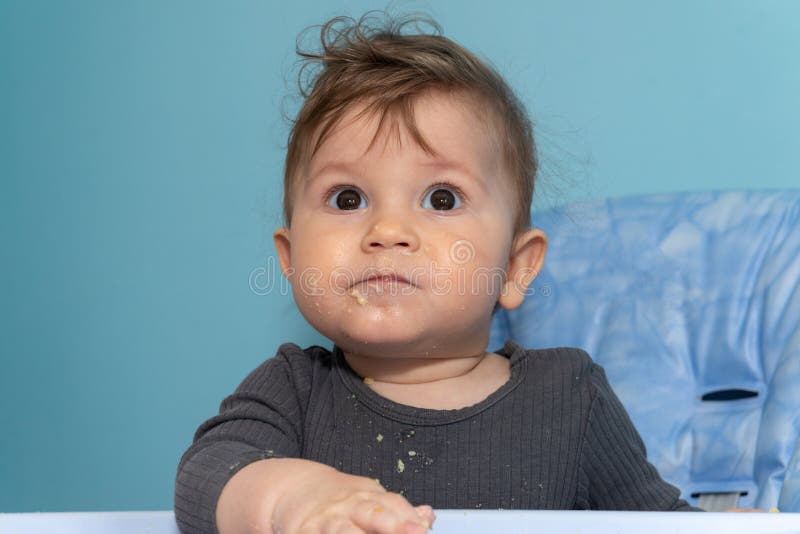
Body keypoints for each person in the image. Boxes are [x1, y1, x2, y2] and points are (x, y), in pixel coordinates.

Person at [174, 11, 698, 534]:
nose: (387, 229)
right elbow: (206, 476)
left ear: (516, 268)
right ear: (291, 262)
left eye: (441, 198)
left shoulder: (571, 398)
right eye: (348, 197)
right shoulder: (294, 390)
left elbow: (659, 523)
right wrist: (292, 496)